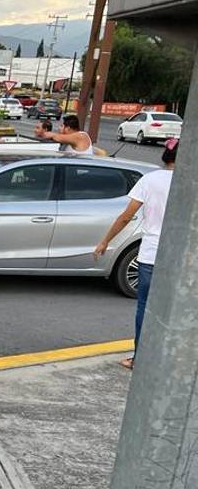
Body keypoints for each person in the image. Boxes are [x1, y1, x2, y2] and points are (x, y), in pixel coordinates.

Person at [93, 138, 178, 370]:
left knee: (145, 306)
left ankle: (139, 357)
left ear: (165, 157)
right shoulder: (189, 181)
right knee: (174, 309)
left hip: (150, 254)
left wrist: (105, 241)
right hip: (179, 259)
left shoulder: (150, 180)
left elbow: (125, 216)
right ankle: (169, 358)